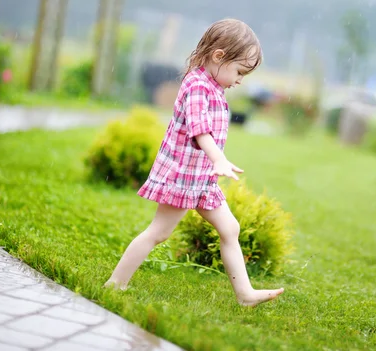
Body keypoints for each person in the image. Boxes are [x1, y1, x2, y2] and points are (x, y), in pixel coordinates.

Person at [104, 18, 284, 307]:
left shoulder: (213, 86)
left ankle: (245, 294)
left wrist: (216, 163)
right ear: (218, 56)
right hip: (183, 176)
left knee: (230, 229)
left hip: (201, 179)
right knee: (158, 233)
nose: (239, 80)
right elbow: (200, 130)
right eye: (239, 72)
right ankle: (115, 284)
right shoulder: (198, 86)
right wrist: (218, 159)